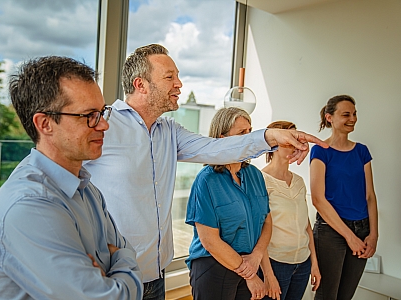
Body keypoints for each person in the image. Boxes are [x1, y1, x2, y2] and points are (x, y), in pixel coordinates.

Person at [84, 43, 327, 300]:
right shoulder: (103, 125)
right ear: (140, 84)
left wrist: (271, 137)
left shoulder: (170, 131)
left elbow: (218, 149)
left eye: (177, 76)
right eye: (169, 77)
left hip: (156, 274)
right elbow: (64, 181)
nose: (179, 84)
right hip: (111, 276)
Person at [0, 56, 143, 299]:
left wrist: (117, 262)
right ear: (45, 124)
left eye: (102, 112)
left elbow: (122, 250)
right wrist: (124, 262)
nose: (103, 126)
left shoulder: (86, 188)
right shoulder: (29, 207)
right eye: (88, 115)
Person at [185, 107, 272, 300]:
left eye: (250, 132)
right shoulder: (206, 180)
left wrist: (256, 256)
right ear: (222, 138)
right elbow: (210, 241)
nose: (249, 139)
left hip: (250, 261)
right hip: (214, 266)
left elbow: (267, 221)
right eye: (242, 133)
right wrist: (248, 272)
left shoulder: (255, 175)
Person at [310, 95, 378, 300]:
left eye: (355, 114)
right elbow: (317, 199)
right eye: (346, 114)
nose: (353, 118)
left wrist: (374, 235)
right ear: (329, 117)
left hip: (362, 229)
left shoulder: (362, 151)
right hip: (331, 233)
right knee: (326, 296)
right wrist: (350, 237)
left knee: (345, 296)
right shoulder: (320, 151)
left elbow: (370, 196)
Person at [261, 121, 321, 300]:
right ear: (273, 144)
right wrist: (268, 275)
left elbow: (306, 226)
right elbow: (258, 232)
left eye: (297, 140)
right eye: (290, 140)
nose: (296, 146)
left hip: (303, 263)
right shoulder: (261, 180)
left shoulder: (299, 181)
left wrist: (314, 263)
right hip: (275, 263)